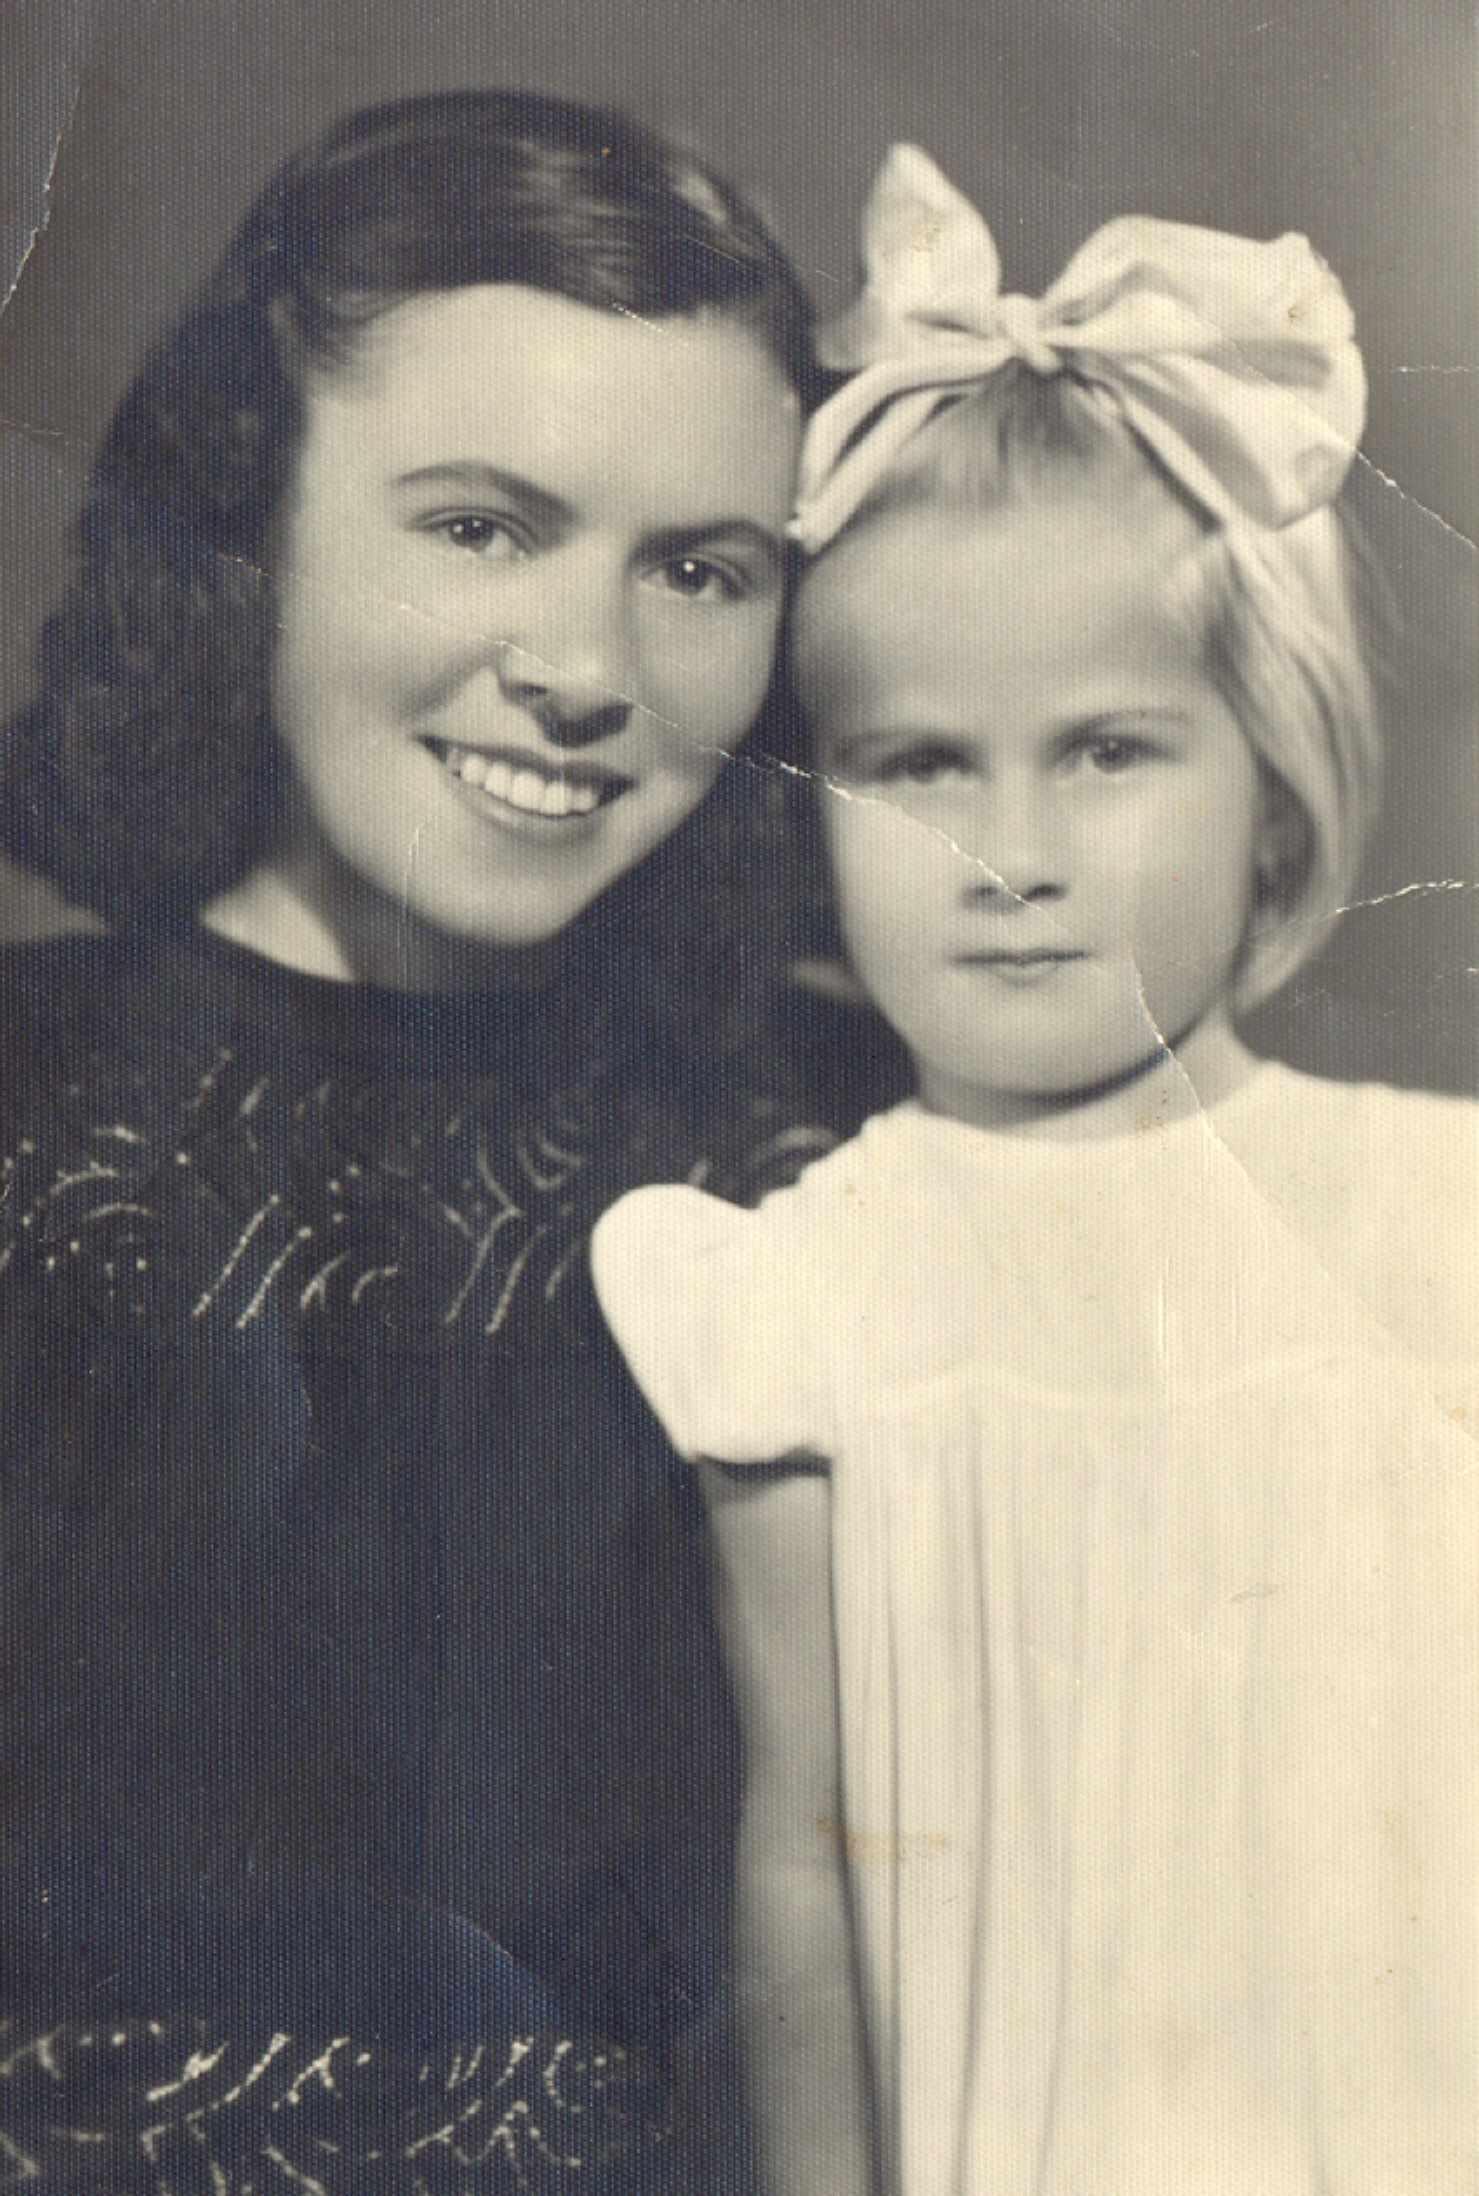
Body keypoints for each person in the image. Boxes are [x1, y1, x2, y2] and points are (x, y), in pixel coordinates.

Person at [0, 90, 889, 2192]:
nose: (583, 672)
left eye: (699, 570)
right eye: (480, 527)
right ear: (247, 515)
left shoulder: (856, 1149)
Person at [593, 147, 1479, 2195]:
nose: (1008, 854)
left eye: (1104, 749)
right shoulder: (792, 1290)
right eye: (917, 763)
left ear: (1273, 793)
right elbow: (803, 1861)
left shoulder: (1437, 1219)